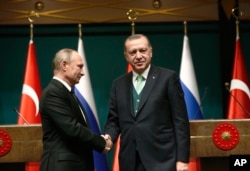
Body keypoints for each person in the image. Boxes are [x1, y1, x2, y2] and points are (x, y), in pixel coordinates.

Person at [103, 34, 190, 171]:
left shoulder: (168, 78)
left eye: (142, 50)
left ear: (151, 52)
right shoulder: (118, 84)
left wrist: (182, 160)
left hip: (163, 160)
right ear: (126, 56)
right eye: (132, 52)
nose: (138, 56)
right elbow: (114, 121)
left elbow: (180, 122)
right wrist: (108, 137)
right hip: (129, 161)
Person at [39, 48, 112, 171]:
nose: (83, 72)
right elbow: (73, 129)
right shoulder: (53, 93)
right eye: (80, 66)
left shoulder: (67, 93)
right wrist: (101, 142)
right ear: (64, 65)